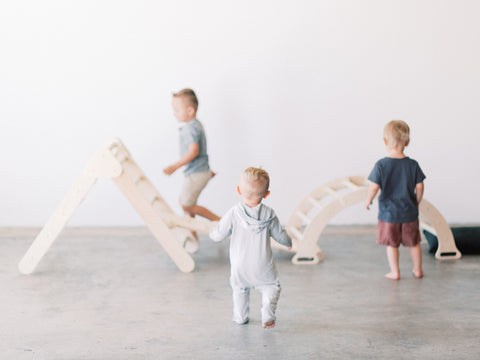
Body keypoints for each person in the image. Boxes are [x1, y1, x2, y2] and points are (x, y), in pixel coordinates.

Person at [209, 167, 292, 329]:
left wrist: (212, 232)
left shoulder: (233, 213)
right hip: (263, 266)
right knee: (272, 287)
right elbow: (281, 235)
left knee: (240, 290)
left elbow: (218, 235)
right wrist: (289, 243)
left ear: (239, 190)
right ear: (266, 194)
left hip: (240, 266)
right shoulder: (269, 214)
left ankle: (240, 317)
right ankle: (267, 313)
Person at [365, 120, 426, 280]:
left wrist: (368, 200)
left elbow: (373, 187)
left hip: (389, 215)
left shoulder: (381, 165)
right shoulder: (412, 165)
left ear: (385, 141)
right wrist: (416, 201)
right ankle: (417, 270)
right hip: (409, 213)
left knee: (392, 244)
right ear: (408, 142)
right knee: (414, 243)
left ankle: (395, 272)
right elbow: (419, 186)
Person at [163, 89, 220, 224]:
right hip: (198, 171)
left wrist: (174, 166)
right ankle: (191, 235)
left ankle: (220, 221)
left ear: (190, 111)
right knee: (186, 204)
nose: (174, 114)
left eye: (177, 110)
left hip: (197, 173)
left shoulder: (190, 128)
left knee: (186, 205)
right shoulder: (196, 124)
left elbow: (194, 151)